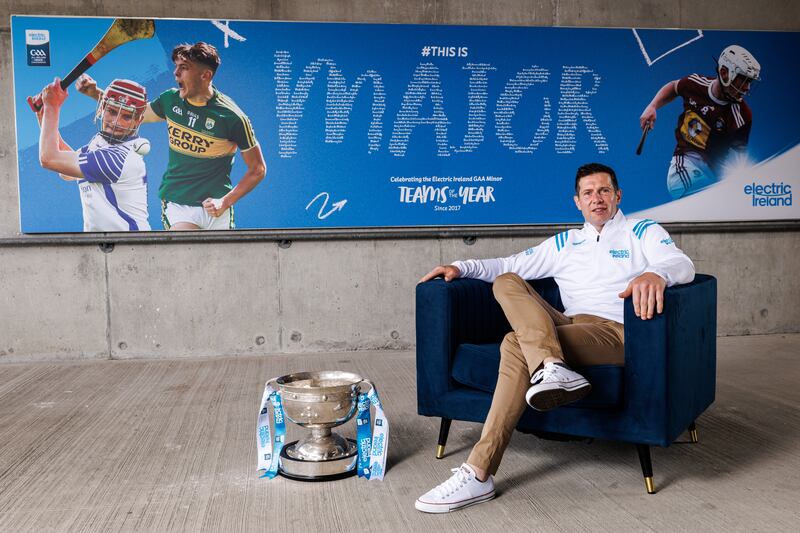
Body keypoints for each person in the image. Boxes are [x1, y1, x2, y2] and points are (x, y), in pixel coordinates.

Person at [415, 163, 695, 513]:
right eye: (589, 193)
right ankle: (552, 366)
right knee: (508, 281)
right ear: (577, 201)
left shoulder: (642, 231)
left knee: (514, 343)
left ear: (618, 195)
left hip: (616, 332)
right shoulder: (565, 242)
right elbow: (506, 264)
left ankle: (478, 471)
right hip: (569, 324)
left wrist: (657, 273)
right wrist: (461, 267)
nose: (597, 199)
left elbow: (681, 263)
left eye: (604, 190)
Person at [78, 41, 266, 230]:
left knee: (219, 260)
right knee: (185, 254)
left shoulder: (233, 117)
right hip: (178, 204)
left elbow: (257, 169)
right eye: (176, 67)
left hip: (217, 208)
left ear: (205, 75)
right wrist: (95, 93)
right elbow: (132, 113)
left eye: (184, 68)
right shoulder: (170, 100)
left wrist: (224, 202)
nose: (175, 73)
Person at [639, 44, 761, 199]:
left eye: (750, 82)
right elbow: (674, 87)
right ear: (724, 73)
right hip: (686, 161)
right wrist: (652, 106)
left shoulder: (743, 115)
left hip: (714, 174)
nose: (747, 88)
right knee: (682, 187)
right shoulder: (694, 84)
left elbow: (737, 156)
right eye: (743, 80)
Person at [37, 77, 151, 231]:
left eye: (126, 116)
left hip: (129, 247)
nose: (116, 121)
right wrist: (45, 117)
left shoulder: (118, 157)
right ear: (101, 108)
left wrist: (52, 106)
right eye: (111, 111)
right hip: (105, 245)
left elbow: (49, 159)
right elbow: (67, 172)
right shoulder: (101, 142)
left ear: (138, 121)